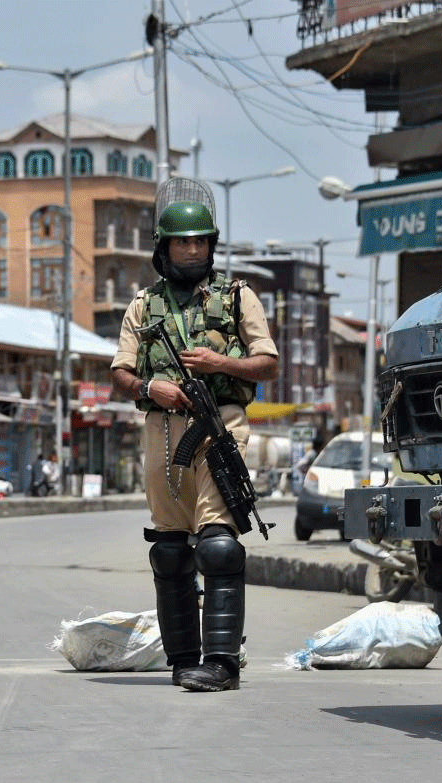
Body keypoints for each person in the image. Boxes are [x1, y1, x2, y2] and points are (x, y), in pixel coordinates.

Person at [110, 197, 278, 693]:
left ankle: (222, 663)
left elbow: (267, 363)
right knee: (169, 550)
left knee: (219, 545)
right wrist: (147, 389)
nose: (192, 249)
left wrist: (219, 364)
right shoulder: (144, 304)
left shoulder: (237, 298)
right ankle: (184, 659)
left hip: (220, 424)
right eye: (182, 241)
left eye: (200, 241)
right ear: (164, 247)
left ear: (212, 246)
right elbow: (120, 371)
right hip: (162, 428)